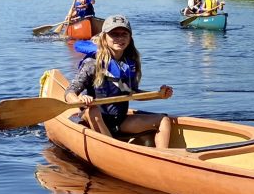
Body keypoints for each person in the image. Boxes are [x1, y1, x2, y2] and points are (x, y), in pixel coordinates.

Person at [64, 14, 174, 147]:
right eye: (114, 34)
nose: (119, 38)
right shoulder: (92, 64)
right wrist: (79, 100)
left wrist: (158, 94)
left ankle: (162, 157)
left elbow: (132, 93)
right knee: (93, 110)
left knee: (164, 120)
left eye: (124, 34)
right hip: (94, 119)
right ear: (104, 37)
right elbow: (69, 92)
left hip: (120, 121)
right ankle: (112, 148)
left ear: (129, 38)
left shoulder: (129, 64)